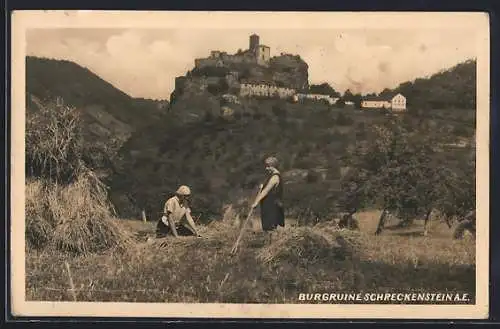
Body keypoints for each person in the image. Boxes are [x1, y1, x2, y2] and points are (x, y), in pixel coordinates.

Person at [251, 156, 285, 231]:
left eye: (268, 166)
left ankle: (271, 242)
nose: (266, 168)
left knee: (270, 229)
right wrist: (262, 186)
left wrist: (256, 202)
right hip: (268, 206)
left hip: (272, 207)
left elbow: (266, 191)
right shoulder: (271, 176)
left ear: (273, 166)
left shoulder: (275, 177)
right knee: (267, 228)